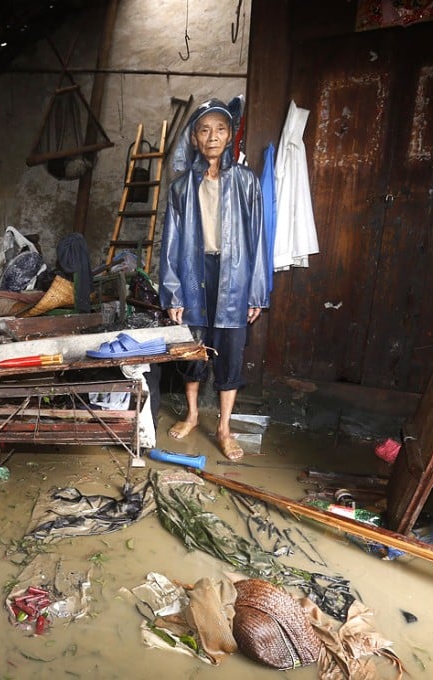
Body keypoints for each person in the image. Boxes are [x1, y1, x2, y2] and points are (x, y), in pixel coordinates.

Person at [158, 98, 269, 460]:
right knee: (192, 348)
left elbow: (258, 239)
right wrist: (173, 294)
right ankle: (192, 415)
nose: (213, 136)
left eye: (220, 129)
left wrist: (256, 291)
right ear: (194, 138)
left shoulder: (246, 183)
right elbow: (171, 245)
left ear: (230, 135)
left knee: (231, 351)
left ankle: (223, 427)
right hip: (193, 272)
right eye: (205, 130)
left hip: (233, 274)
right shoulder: (180, 188)